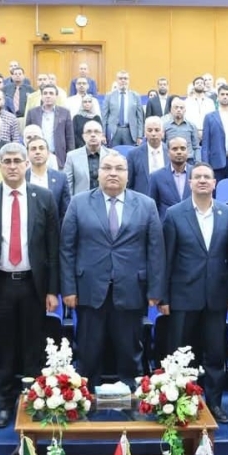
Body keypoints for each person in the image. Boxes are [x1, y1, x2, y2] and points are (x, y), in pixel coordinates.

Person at [0, 142, 60, 428]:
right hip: (0, 285)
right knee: (2, 347)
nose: (12, 166)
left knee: (33, 345)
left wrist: (52, 290)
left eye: (17, 161)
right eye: (7, 161)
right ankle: (4, 402)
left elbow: (53, 247)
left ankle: (33, 399)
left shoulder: (44, 197)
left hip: (33, 285)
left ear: (26, 164)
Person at [60, 152, 164, 390]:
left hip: (131, 290)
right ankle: (85, 401)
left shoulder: (146, 205)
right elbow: (66, 249)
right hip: (89, 290)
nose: (113, 173)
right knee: (88, 354)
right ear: (98, 173)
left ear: (128, 174)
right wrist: (68, 289)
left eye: (119, 169)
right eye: (107, 168)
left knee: (130, 354)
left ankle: (133, 402)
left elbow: (156, 251)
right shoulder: (78, 203)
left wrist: (155, 290)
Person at [159, 162, 228, 424]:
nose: (203, 180)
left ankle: (214, 404)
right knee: (181, 353)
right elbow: (166, 259)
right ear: (190, 183)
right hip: (182, 297)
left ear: (214, 183)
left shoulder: (227, 213)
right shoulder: (174, 214)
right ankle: (179, 402)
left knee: (215, 355)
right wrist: (164, 297)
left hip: (216, 297)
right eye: (198, 177)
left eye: (207, 177)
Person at [24, 85, 75, 171]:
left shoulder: (65, 112)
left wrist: (70, 157)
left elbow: (69, 137)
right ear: (41, 96)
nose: (48, 96)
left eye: (51, 93)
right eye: (45, 93)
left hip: (58, 156)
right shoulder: (32, 113)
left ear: (56, 96)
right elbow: (27, 135)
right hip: (37, 155)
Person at [25, 137, 70, 223]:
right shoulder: (22, 178)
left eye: (41, 148)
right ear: (27, 154)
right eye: (33, 149)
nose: (38, 152)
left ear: (48, 153)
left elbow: (65, 211)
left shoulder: (61, 178)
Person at [148, 137, 192, 219]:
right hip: (166, 224)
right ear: (168, 152)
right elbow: (152, 208)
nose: (179, 152)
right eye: (175, 149)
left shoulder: (197, 174)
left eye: (183, 148)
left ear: (188, 151)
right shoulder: (156, 176)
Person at [64, 120, 110, 195]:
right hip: (81, 200)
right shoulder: (72, 157)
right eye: (89, 132)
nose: (93, 135)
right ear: (83, 136)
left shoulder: (112, 155)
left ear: (102, 136)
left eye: (96, 132)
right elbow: (68, 186)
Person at [126, 116, 168, 195]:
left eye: (157, 130)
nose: (153, 134)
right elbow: (128, 185)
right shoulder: (133, 155)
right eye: (149, 130)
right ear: (145, 133)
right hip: (141, 199)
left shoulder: (170, 152)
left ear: (163, 133)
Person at [101, 71, 144, 147]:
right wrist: (103, 134)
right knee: (112, 153)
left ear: (128, 80)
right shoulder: (109, 96)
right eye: (120, 78)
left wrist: (140, 136)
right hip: (113, 131)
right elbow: (104, 117)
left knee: (129, 153)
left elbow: (140, 118)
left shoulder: (135, 96)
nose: (123, 80)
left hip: (130, 132)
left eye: (125, 78)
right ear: (117, 80)